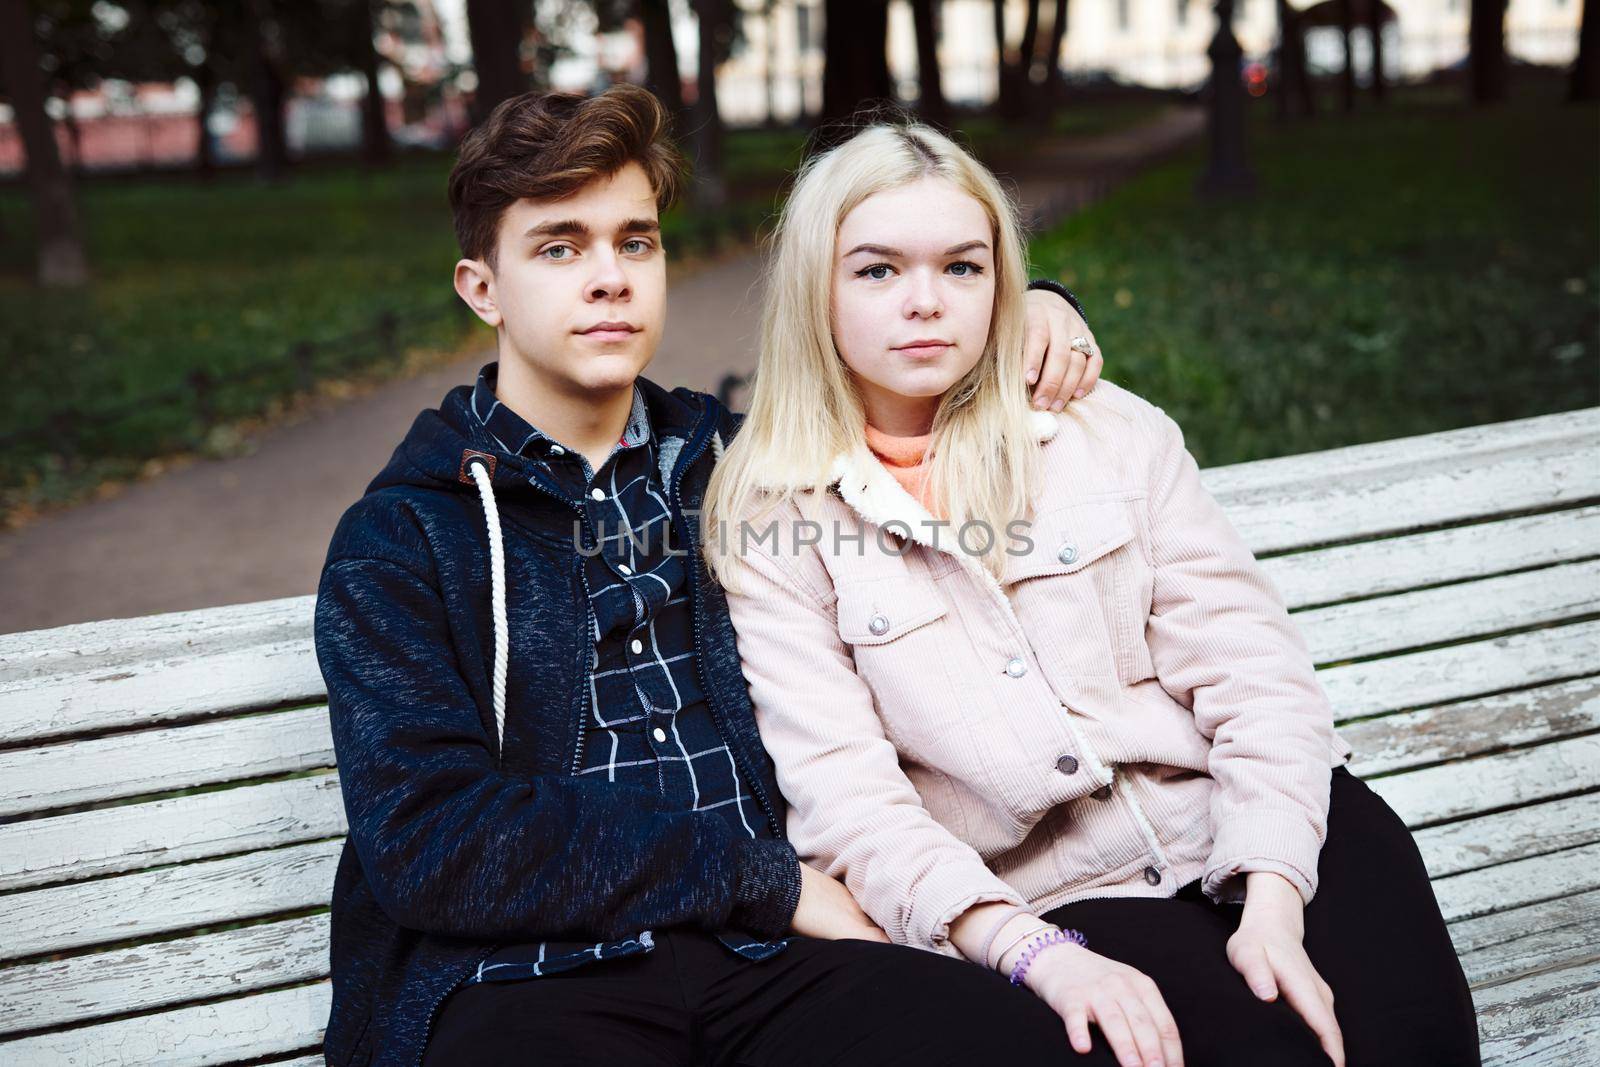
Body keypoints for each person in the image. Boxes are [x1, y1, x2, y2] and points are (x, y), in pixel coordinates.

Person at [313, 85, 1103, 1067]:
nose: (608, 278)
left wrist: (1037, 307)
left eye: (633, 241)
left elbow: (915, 378)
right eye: (560, 247)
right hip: (528, 975)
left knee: (1011, 1041)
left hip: (779, 954)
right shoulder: (405, 538)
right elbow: (432, 840)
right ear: (482, 287)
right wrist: (750, 872)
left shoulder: (753, 466)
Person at [703, 118, 1483, 1067]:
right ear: (813, 291)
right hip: (1064, 897)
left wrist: (1275, 894)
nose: (926, 304)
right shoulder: (771, 519)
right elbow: (852, 808)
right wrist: (1038, 953)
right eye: (876, 271)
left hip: (1259, 816)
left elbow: (1255, 671)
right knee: (1262, 1047)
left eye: (962, 267)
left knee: (1408, 1039)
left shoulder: (1106, 433)